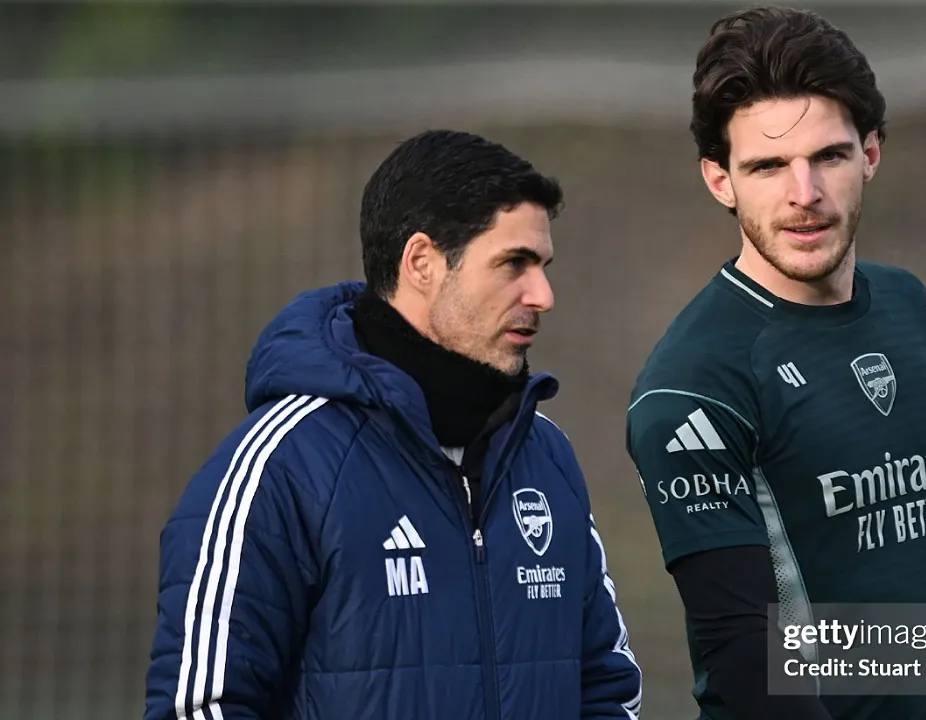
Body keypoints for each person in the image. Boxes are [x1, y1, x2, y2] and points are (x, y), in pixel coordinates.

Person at [144, 129, 643, 720]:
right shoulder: (281, 466)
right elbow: (201, 707)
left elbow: (606, 688)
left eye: (543, 265)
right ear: (422, 263)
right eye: (514, 263)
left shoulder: (545, 454)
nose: (543, 293)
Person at [625, 6, 926, 720]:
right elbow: (743, 663)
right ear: (719, 180)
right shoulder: (695, 385)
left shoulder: (910, 309)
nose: (804, 194)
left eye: (828, 156)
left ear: (871, 154)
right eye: (767, 166)